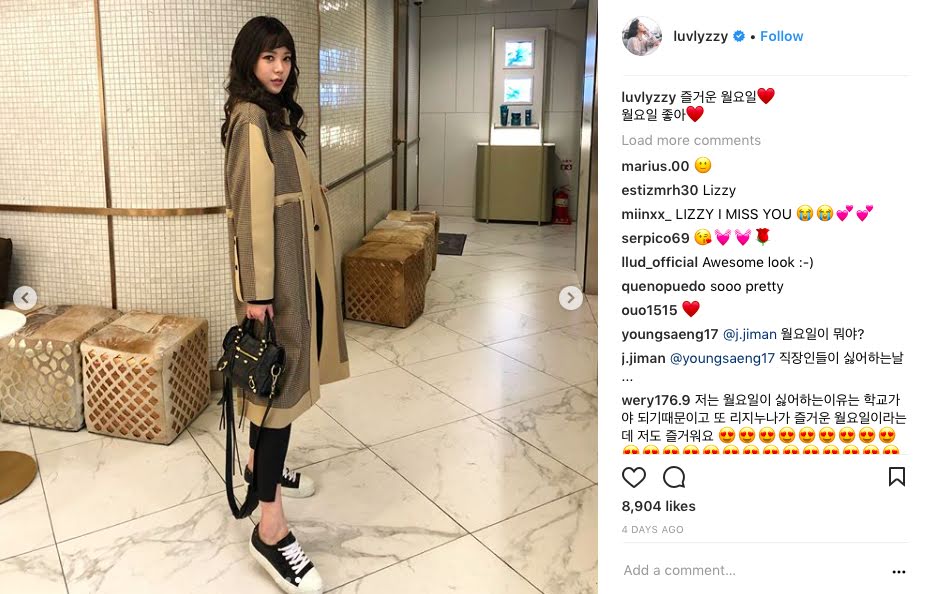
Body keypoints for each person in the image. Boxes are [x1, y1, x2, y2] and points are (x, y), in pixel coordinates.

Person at [221, 16, 351, 594]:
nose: (279, 69)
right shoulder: (250, 119)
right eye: (268, 57)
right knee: (280, 389)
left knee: (278, 387)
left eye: (286, 58)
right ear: (249, 61)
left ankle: (258, 470)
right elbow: (250, 211)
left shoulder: (272, 115)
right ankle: (270, 529)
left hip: (294, 275)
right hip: (277, 287)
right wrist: (257, 295)